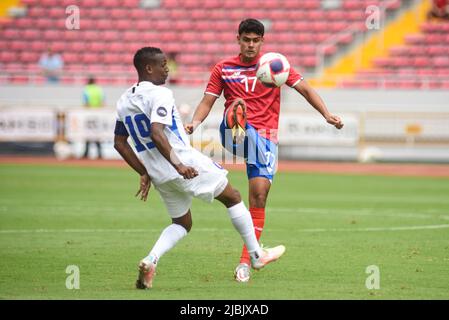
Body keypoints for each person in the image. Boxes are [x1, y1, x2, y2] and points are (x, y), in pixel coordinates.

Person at [185, 19, 344, 283]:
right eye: (246, 39)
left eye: (255, 40)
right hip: (233, 132)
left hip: (266, 139)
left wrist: (327, 114)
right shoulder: (223, 68)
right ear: (238, 39)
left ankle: (248, 262)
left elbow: (305, 89)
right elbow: (207, 101)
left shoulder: (276, 65)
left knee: (259, 195)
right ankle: (239, 119)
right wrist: (194, 122)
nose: (250, 44)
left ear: (262, 41)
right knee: (236, 105)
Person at [113, 47, 285, 289]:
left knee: (182, 223)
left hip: (158, 175)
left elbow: (119, 143)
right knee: (234, 198)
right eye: (163, 64)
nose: (167, 68)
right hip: (184, 163)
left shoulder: (124, 100)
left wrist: (143, 171)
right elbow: (156, 132)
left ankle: (150, 260)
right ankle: (257, 256)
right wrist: (179, 164)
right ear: (148, 68)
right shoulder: (160, 94)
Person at [82, 76, 105, 159]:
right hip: (98, 114)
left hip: (89, 114)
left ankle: (86, 153)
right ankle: (100, 153)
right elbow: (103, 102)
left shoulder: (86, 89)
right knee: (97, 133)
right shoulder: (99, 89)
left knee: (88, 133)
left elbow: (85, 103)